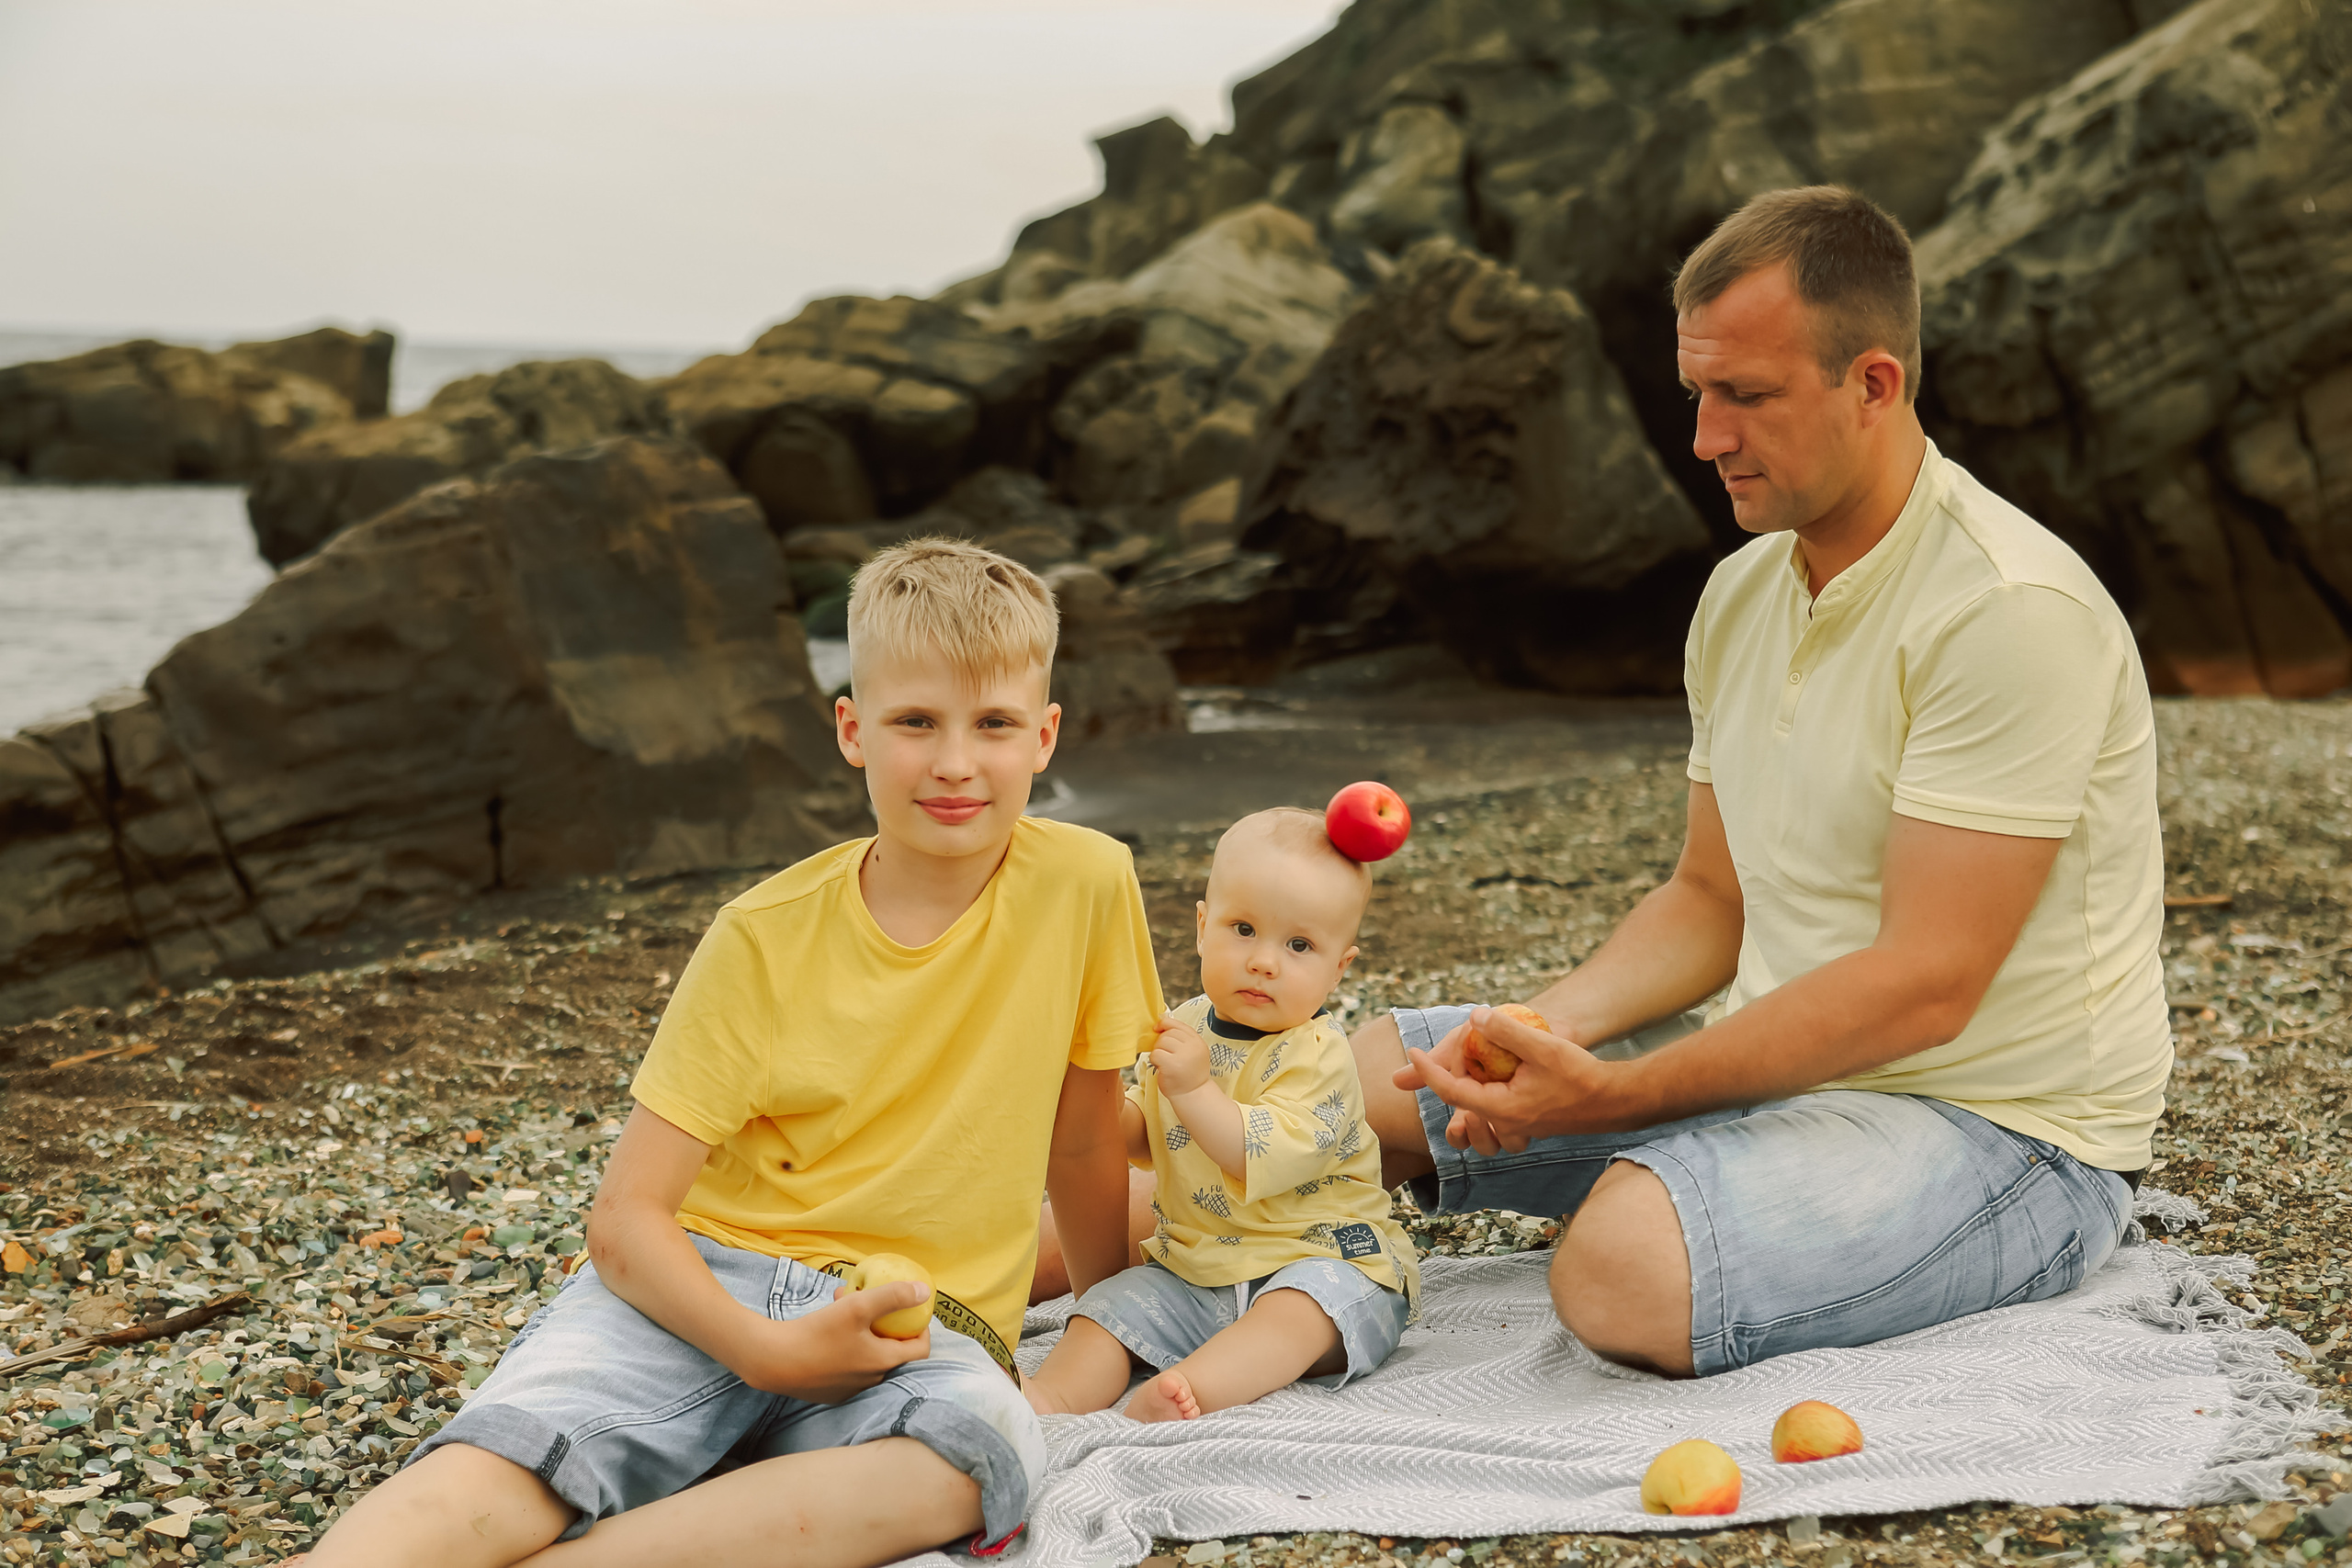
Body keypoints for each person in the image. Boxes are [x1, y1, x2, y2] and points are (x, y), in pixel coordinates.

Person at [1036, 184, 2168, 1381]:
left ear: (1874, 384)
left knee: (1621, 1264)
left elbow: (1924, 984)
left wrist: (1616, 1093)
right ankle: (944, 1277)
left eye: (1749, 396)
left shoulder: (2006, 609)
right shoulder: (1742, 597)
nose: (1705, 438)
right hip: (1781, 1062)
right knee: (1361, 1075)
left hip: (2003, 1134)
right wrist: (1549, 1032)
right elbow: (1711, 898)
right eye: (1698, 393)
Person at [302, 538, 1164, 1568]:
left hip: (914, 1325)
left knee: (974, 1458)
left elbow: (1080, 1147)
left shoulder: (1088, 884)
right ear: (852, 729)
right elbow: (625, 1217)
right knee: (516, 1455)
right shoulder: (762, 935)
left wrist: (1106, 1328)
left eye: (993, 725)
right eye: (915, 722)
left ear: (1045, 735)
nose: (953, 763)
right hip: (705, 1284)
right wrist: (763, 1351)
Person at [1023, 808, 1419, 1423]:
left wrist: (1195, 1087)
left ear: (1341, 967)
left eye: (1299, 945)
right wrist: (1083, 1108)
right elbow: (1148, 1137)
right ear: (1203, 927)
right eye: (1243, 928)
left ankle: (1193, 1388)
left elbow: (1255, 1152)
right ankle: (1048, 1400)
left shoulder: (1318, 1055)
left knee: (1299, 1314)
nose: (1264, 961)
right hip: (1195, 1268)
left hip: (1321, 1257)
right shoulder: (1184, 1023)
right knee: (1108, 1306)